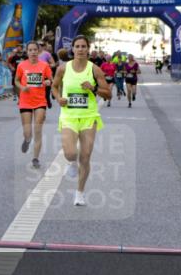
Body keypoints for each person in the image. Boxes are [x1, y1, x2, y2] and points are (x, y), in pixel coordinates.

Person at [52, 35, 112, 207]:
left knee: (85, 157)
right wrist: (58, 98)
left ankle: (79, 193)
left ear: (88, 49)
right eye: (77, 46)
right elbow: (54, 87)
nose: (80, 49)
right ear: (72, 49)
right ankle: (71, 162)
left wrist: (93, 88)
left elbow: (108, 94)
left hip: (89, 117)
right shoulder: (63, 69)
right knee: (71, 153)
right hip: (69, 116)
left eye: (83, 46)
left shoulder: (95, 70)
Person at [14, 41, 53, 169]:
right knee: (28, 132)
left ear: (38, 51)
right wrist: (22, 87)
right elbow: (16, 81)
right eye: (30, 50)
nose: (33, 52)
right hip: (25, 101)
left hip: (40, 101)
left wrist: (47, 81)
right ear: (27, 52)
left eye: (35, 50)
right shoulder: (21, 66)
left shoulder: (44, 65)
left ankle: (35, 158)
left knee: (38, 130)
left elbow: (50, 79)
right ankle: (26, 140)